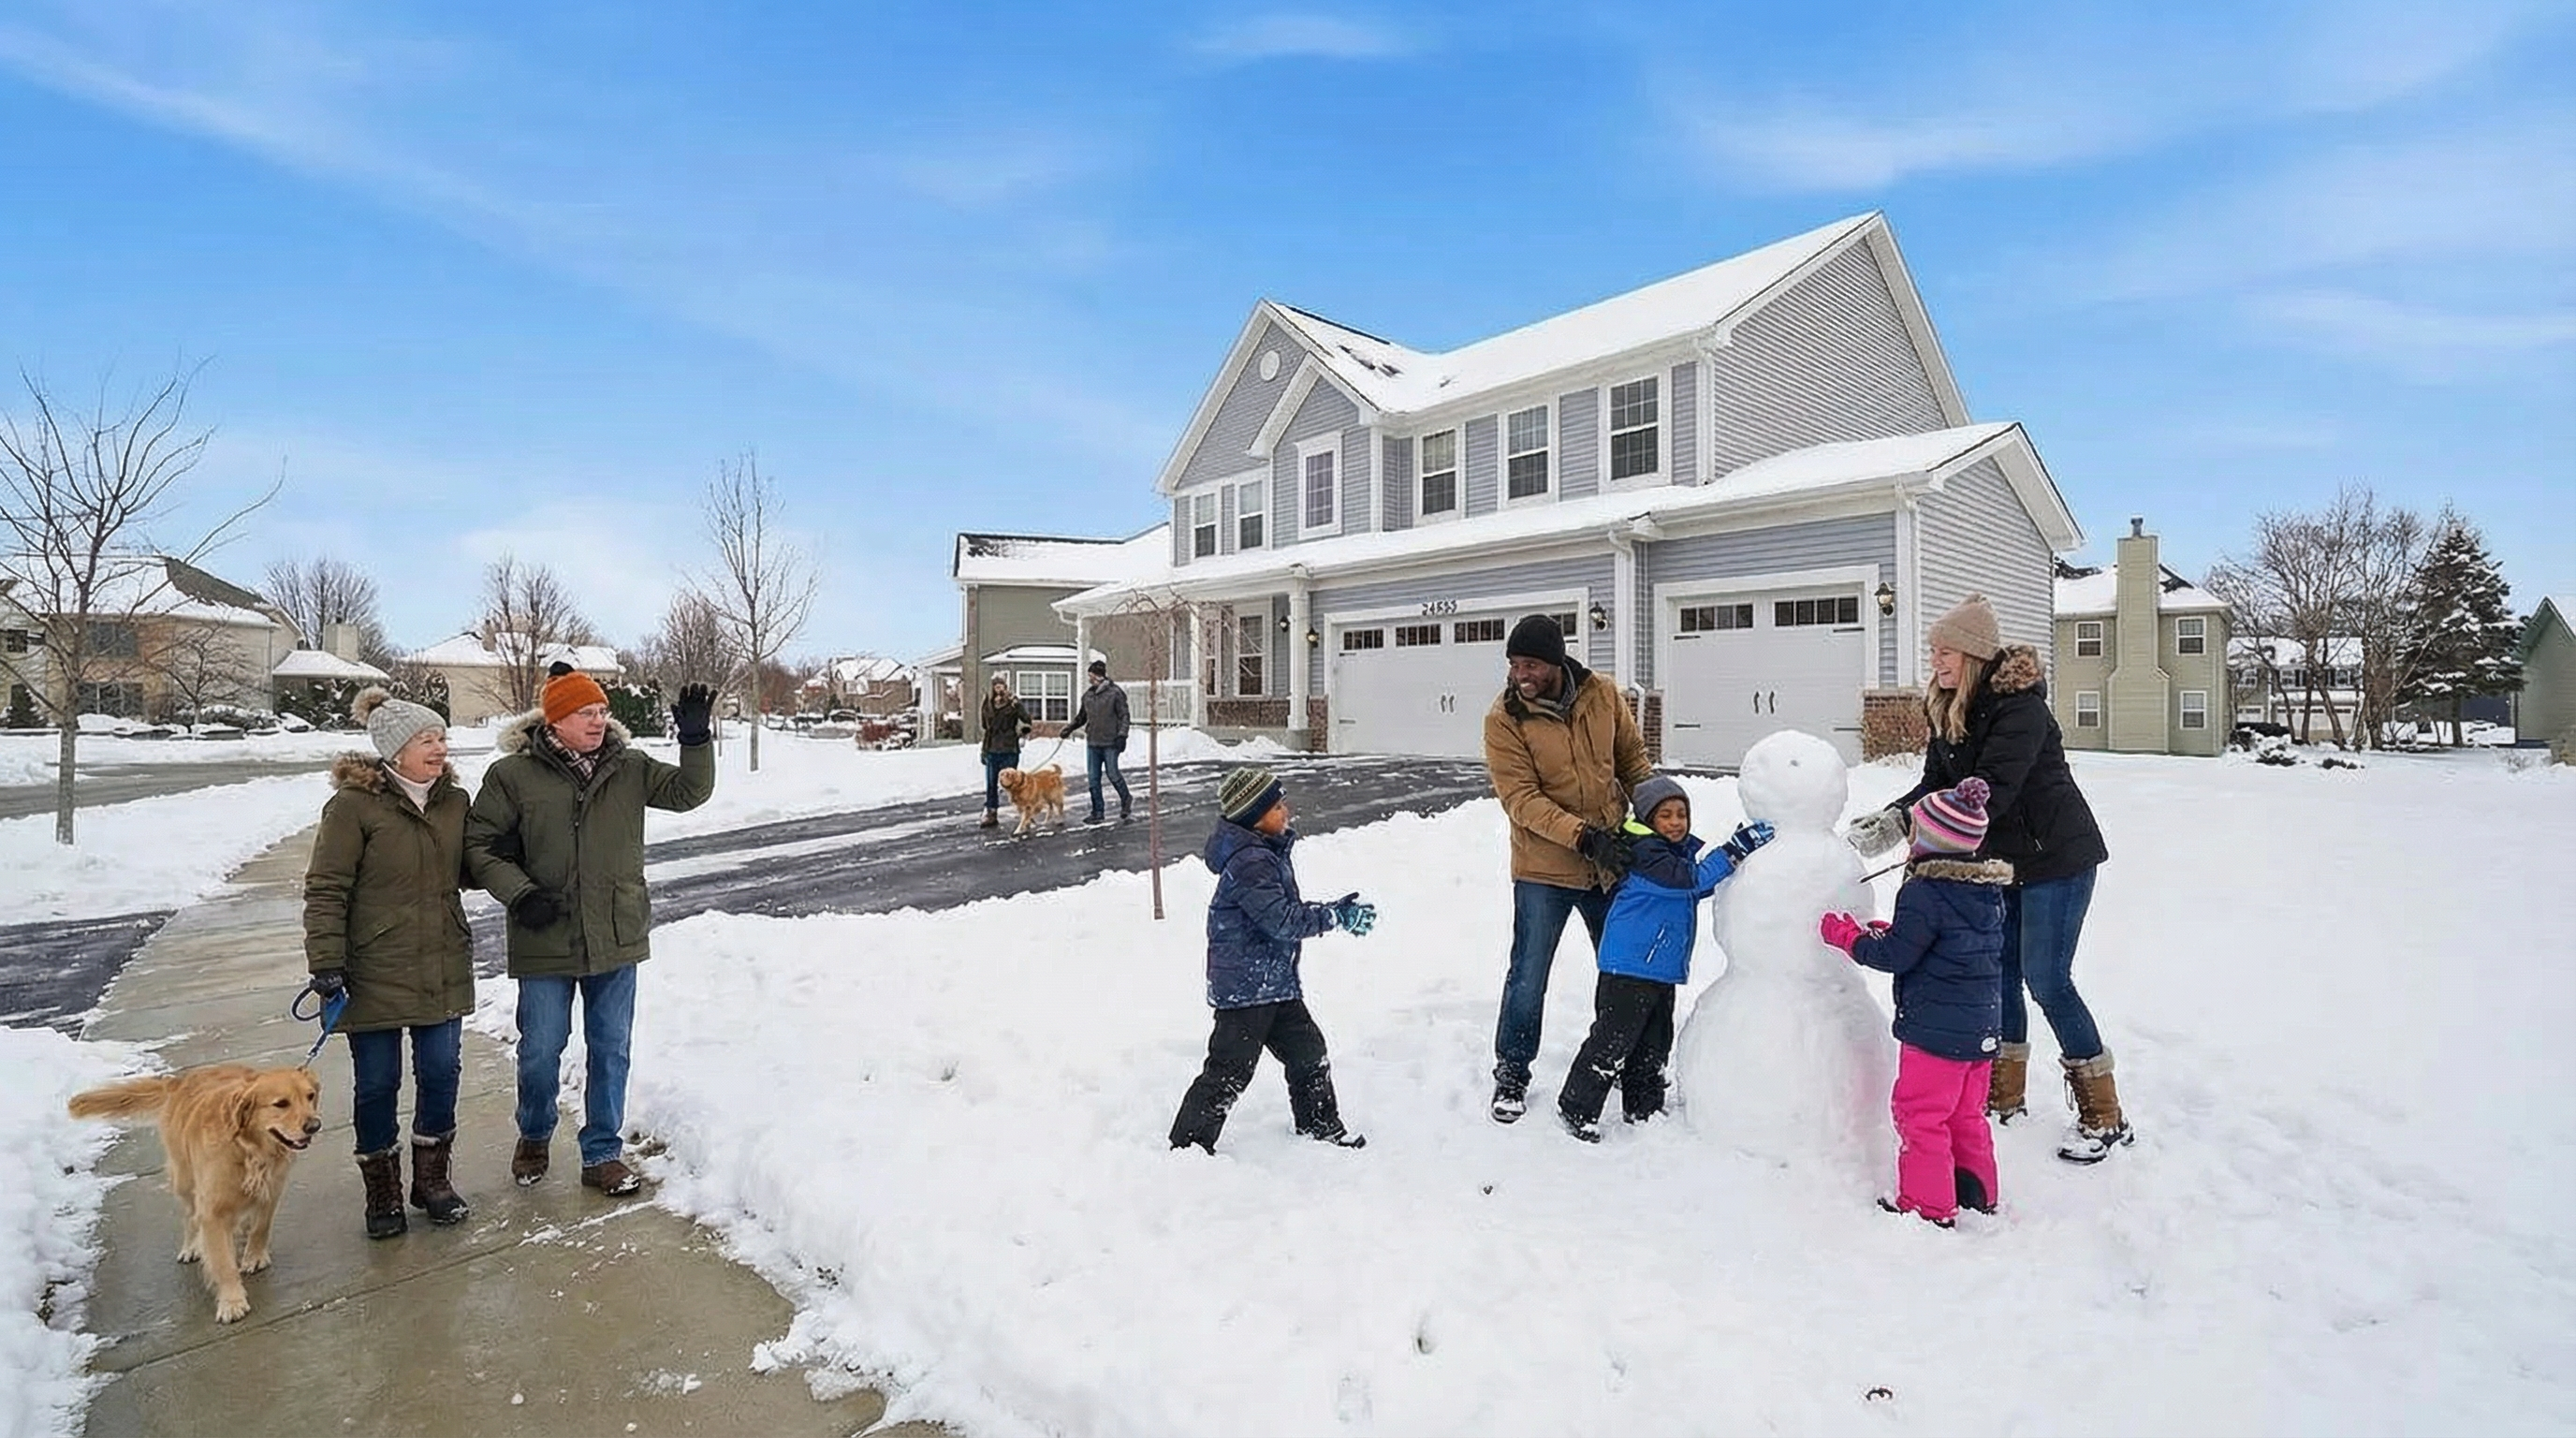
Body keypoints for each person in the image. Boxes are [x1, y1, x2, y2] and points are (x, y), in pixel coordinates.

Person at [1848, 594, 2129, 1164]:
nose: (1936, 661)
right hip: (2000, 864)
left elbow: (1990, 793)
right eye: (1933, 650)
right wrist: (1890, 818)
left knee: (2046, 978)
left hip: (2057, 858)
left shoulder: (2018, 708)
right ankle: (2004, 1096)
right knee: (1998, 974)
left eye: (1945, 651)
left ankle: (2104, 1114)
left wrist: (1917, 826)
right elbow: (1934, 781)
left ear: (1973, 656)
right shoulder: (1947, 706)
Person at [466, 663, 716, 1196]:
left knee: (611, 1048)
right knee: (540, 1049)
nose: (599, 721)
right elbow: (478, 846)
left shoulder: (629, 767)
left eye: (602, 711)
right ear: (555, 720)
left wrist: (696, 739)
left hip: (615, 933)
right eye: (586, 713)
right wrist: (520, 892)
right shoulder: (512, 776)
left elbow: (688, 792)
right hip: (545, 933)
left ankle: (602, 1152)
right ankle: (533, 1133)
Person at [301, 686, 476, 1240]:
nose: (439, 749)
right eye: (427, 739)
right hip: (371, 969)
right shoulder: (353, 807)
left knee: (442, 1075)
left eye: (442, 738)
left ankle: (432, 1182)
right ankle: (382, 1193)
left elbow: (477, 865)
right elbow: (326, 887)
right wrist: (325, 961)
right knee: (377, 1084)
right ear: (395, 749)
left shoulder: (455, 802)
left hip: (439, 962)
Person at [1482, 612, 1652, 1123]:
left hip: (1608, 863)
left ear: (1557, 662)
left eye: (1530, 664)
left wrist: (1658, 813)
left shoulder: (1601, 694)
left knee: (1623, 969)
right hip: (1545, 868)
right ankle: (1512, 1070)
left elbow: (1631, 760)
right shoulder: (1504, 718)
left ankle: (1619, 1058)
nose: (1520, 675)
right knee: (1529, 974)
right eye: (1514, 665)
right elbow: (1521, 799)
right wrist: (1583, 836)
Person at [1822, 777, 2012, 1225]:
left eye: (1913, 832)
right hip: (1981, 1027)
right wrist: (1898, 932)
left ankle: (1928, 1205)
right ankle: (1977, 1195)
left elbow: (1895, 958)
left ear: (1927, 841)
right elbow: (1949, 945)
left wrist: (1847, 936)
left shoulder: (1924, 892)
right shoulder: (1983, 890)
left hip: (1936, 1034)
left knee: (1920, 1115)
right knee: (1967, 1114)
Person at [1168, 766, 1376, 1153]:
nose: (1287, 812)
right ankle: (1189, 1148)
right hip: (1247, 988)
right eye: (1279, 806)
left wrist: (1331, 910)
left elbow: (1282, 911)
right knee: (1230, 1068)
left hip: (1273, 982)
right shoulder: (1251, 861)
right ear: (1254, 815)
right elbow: (1281, 920)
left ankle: (1320, 1126)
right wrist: (1334, 917)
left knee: (1308, 1052)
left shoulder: (1263, 851)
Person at [1557, 776, 1772, 1141]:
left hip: (1657, 965)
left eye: (1681, 815)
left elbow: (1696, 884)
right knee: (1613, 1040)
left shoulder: (1670, 856)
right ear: (1647, 820)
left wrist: (1734, 859)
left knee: (1654, 1041)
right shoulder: (1645, 853)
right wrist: (1732, 851)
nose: (1675, 822)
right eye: (1666, 815)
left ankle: (1644, 1105)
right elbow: (1689, 880)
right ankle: (1577, 1106)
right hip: (1629, 966)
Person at [1060, 658, 1132, 824]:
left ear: (1100, 676)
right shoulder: (1088, 696)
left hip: (1111, 742)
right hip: (1093, 742)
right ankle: (1097, 811)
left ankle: (1126, 798)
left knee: (1113, 774)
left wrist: (1122, 735)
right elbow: (1081, 718)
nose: (1090, 679)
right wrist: (1069, 728)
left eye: (1092, 676)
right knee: (1093, 779)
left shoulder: (1115, 693)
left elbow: (1124, 716)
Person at [978, 675, 1032, 829]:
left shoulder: (1013, 704)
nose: (999, 689)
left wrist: (1022, 730)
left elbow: (1026, 719)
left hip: (1009, 748)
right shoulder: (987, 704)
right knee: (991, 783)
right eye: (996, 686)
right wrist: (984, 751)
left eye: (1001, 686)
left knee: (1014, 783)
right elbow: (984, 725)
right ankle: (991, 811)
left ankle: (1024, 810)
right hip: (992, 748)